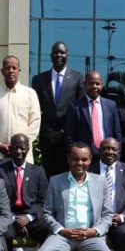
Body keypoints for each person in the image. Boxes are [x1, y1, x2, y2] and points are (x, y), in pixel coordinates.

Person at [32, 41, 85, 177]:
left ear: (67, 55)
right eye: (56, 52)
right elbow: (35, 109)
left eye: (62, 52)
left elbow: (79, 109)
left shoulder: (78, 77)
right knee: (49, 178)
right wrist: (48, 132)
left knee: (67, 177)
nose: (59, 55)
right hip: (47, 139)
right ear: (51, 55)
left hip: (68, 138)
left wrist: (62, 131)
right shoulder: (39, 79)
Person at [0, 56, 41, 164]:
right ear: (2, 71)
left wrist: (21, 146)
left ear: (19, 71)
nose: (11, 71)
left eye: (14, 68)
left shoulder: (30, 94)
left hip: (23, 156)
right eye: (7, 68)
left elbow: (35, 122)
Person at [65, 70, 122, 157]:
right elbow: (69, 136)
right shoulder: (75, 106)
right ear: (85, 85)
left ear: (102, 85)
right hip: (84, 158)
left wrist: (116, 157)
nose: (94, 86)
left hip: (107, 156)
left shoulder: (111, 105)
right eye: (91, 83)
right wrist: (76, 156)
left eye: (97, 84)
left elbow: (117, 134)